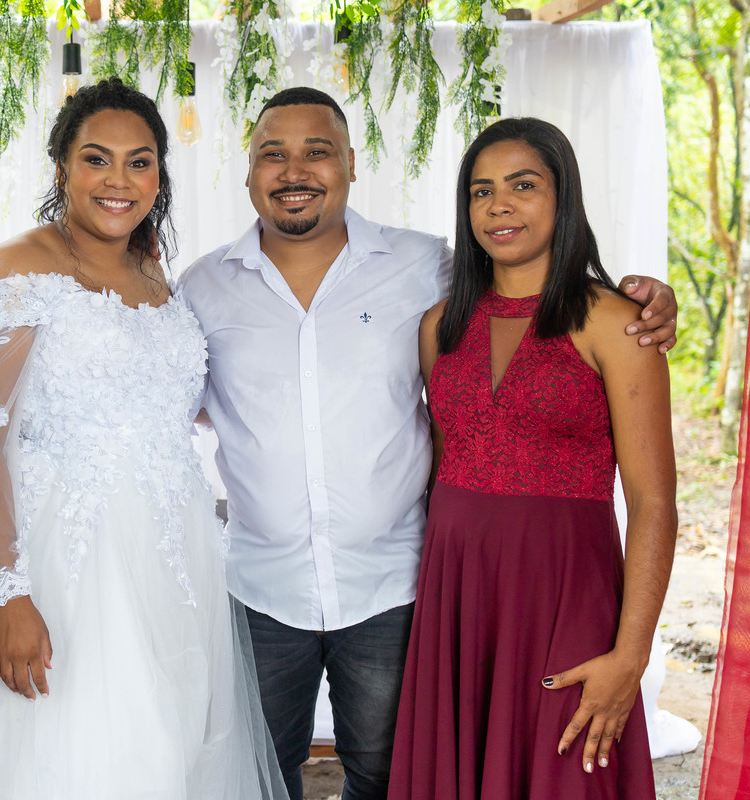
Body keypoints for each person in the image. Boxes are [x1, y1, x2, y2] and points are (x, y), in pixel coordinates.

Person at [175, 87, 678, 800]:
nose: (295, 169)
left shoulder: (425, 267)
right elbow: (165, 401)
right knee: (252, 777)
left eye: (317, 150)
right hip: (287, 586)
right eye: (481, 192)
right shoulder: (203, 289)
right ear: (248, 169)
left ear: (351, 163)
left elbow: (650, 495)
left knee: (400, 777)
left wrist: (652, 303)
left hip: (410, 584)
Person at [0, 78, 285, 800]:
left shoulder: (154, 274)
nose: (119, 180)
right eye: (97, 159)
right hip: (68, 561)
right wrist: (8, 594)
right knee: (86, 758)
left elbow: (161, 405)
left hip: (176, 557)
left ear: (159, 175)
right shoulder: (18, 268)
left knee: (169, 752)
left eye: (139, 162)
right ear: (61, 166)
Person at [386, 117, 675, 799]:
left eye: (523, 185)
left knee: (566, 770)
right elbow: (443, 465)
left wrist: (630, 656)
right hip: (458, 600)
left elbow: (654, 501)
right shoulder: (439, 326)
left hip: (565, 595)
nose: (499, 206)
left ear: (563, 196)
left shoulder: (615, 323)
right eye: (481, 191)